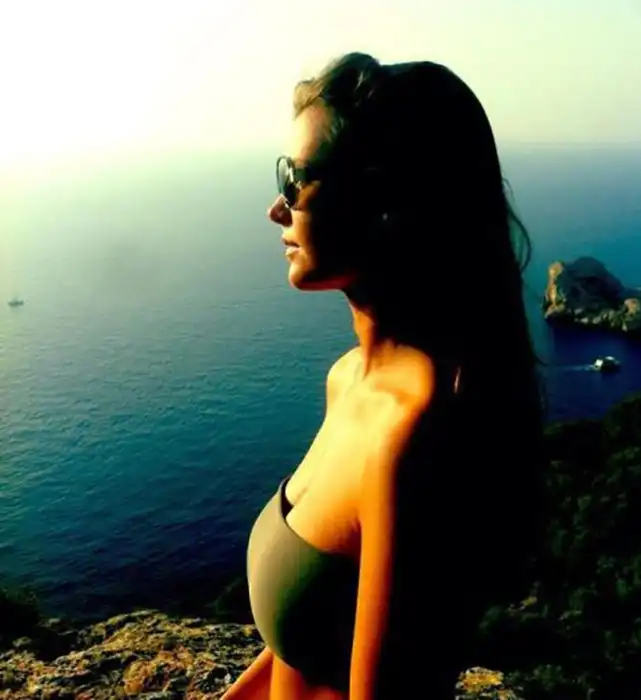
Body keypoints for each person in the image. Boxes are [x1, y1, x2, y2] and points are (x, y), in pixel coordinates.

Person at [220, 52, 545, 700]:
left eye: (294, 181)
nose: (276, 210)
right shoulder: (349, 381)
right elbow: (305, 640)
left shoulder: (412, 435)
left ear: (385, 203)